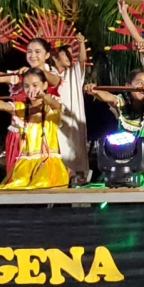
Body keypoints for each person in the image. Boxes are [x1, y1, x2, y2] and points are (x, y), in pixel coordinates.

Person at [84, 42, 144, 188]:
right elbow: (108, 97)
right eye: (139, 82)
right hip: (122, 170)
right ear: (127, 86)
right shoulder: (122, 106)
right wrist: (95, 91)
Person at [0, 37, 62, 174]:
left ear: (47, 55)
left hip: (44, 132)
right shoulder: (21, 76)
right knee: (17, 176)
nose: (33, 55)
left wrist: (34, 71)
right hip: (20, 134)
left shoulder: (51, 75)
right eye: (29, 52)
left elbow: (55, 81)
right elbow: (0, 77)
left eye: (37, 52)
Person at [0, 68, 69, 189]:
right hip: (26, 163)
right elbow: (5, 106)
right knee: (14, 185)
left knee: (41, 183)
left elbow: (56, 105)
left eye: (35, 85)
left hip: (47, 162)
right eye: (26, 86)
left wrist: (43, 95)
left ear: (45, 85)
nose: (31, 90)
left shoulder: (51, 105)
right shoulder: (21, 107)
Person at [51, 35, 89, 184]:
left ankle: (79, 178)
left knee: (76, 147)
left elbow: (82, 59)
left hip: (72, 117)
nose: (69, 56)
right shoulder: (49, 72)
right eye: (64, 53)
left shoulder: (74, 72)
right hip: (55, 118)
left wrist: (81, 44)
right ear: (54, 57)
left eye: (70, 53)